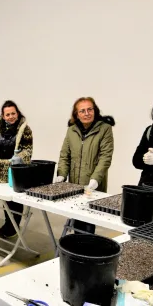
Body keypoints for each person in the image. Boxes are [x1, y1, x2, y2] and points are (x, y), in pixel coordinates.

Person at [56, 97, 115, 233]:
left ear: (95, 111)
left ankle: (86, 250)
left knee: (88, 223)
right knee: (76, 220)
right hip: (74, 184)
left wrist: (95, 179)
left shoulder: (105, 129)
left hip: (93, 184)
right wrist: (61, 174)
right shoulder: (71, 130)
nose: (87, 113)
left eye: (90, 109)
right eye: (82, 111)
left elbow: (105, 157)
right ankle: (76, 249)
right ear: (76, 114)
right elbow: (65, 155)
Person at [0, 100, 33, 238]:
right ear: (3, 115)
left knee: (15, 199)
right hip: (0, 172)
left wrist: (17, 159)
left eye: (13, 113)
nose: (11, 116)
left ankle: (13, 226)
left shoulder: (25, 129)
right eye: (8, 114)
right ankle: (8, 223)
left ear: (18, 113)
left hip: (17, 172)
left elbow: (28, 151)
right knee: (5, 199)